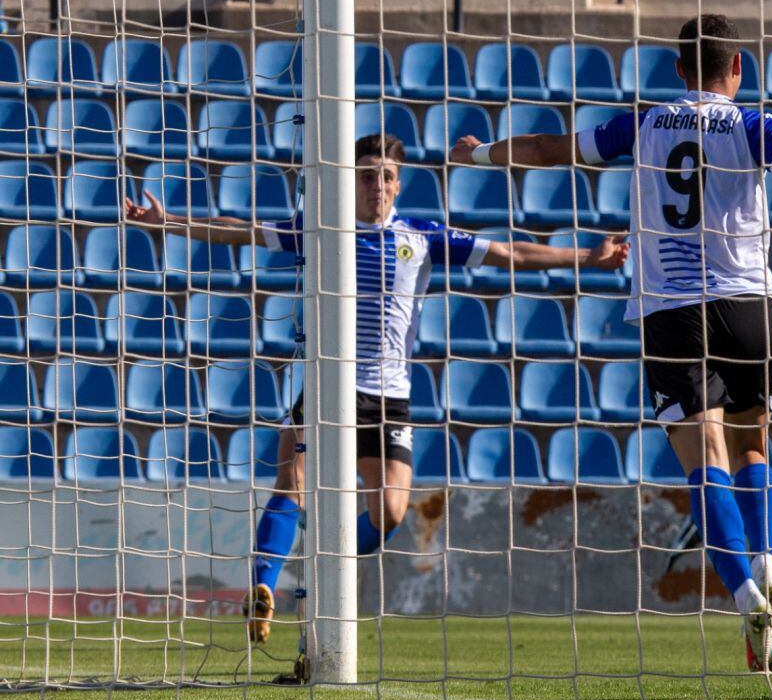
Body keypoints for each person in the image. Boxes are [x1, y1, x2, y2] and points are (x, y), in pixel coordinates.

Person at [450, 14, 772, 672]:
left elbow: (550, 148)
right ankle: (771, 568)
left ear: (680, 70)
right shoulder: (754, 125)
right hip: (748, 306)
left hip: (674, 310)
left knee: (702, 456)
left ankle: (745, 593)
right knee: (751, 443)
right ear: (737, 67)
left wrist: (479, 153)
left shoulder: (647, 122)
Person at [124, 133, 628, 643]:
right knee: (291, 480)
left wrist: (587, 255)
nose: (377, 185)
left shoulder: (422, 237)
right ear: (351, 181)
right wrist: (169, 222)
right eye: (367, 174)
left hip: (388, 396)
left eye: (386, 175)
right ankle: (263, 590)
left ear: (399, 184)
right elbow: (241, 231)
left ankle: (327, 558)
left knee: (388, 513)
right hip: (328, 385)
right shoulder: (322, 231)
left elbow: (508, 252)